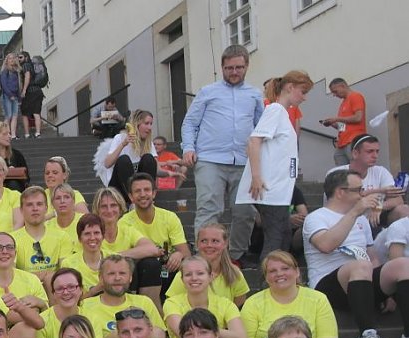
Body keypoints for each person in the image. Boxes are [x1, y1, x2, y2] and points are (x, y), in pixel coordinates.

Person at [304, 170, 409, 338]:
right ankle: (367, 335)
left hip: (361, 279)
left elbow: (372, 255)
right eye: (359, 190)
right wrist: (354, 212)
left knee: (402, 264)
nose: (363, 194)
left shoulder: (361, 219)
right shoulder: (317, 217)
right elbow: (326, 245)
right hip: (327, 285)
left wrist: (387, 291)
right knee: (361, 265)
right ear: (340, 192)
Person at [181, 44, 262, 263]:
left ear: (246, 66)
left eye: (238, 67)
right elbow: (190, 123)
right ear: (222, 68)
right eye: (229, 68)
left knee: (245, 212)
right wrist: (188, 148)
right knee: (209, 209)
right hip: (209, 159)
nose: (234, 72)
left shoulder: (255, 95)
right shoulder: (208, 92)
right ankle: (204, 258)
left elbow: (261, 129)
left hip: (243, 162)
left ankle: (234, 256)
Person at [236, 71, 313, 260]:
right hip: (270, 188)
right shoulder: (276, 110)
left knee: (282, 236)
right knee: (275, 239)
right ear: (290, 87)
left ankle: (274, 280)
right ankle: (269, 283)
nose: (304, 97)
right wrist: (256, 177)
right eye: (302, 91)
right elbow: (254, 141)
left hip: (278, 188)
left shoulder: (281, 113)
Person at [240, 250, 336, 338]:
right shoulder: (252, 303)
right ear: (266, 277)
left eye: (285, 268)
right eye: (272, 271)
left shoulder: (318, 299)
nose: (279, 274)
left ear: (297, 272)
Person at [80, 255, 166, 338]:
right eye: (111, 274)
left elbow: (160, 337)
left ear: (130, 278)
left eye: (122, 273)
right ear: (101, 279)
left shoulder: (144, 302)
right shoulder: (86, 305)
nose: (117, 278)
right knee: (121, 334)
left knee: (156, 333)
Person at [92, 187, 165, 305]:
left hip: (126, 280)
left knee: (150, 264)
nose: (109, 210)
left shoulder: (127, 230)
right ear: (97, 210)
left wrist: (115, 256)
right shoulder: (92, 233)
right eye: (104, 206)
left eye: (113, 205)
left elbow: (152, 249)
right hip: (98, 281)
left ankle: (149, 307)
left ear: (120, 208)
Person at [122, 173, 190, 297]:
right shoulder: (124, 222)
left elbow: (186, 253)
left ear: (154, 193)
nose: (143, 194)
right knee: (150, 264)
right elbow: (125, 257)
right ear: (131, 197)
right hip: (142, 274)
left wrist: (179, 254)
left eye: (147, 190)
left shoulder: (169, 217)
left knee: (186, 265)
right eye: (137, 191)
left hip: (168, 270)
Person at [163, 256, 247, 338]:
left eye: (200, 273)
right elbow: (185, 335)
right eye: (188, 274)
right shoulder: (172, 303)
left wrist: (209, 334)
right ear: (182, 279)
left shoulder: (225, 303)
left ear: (210, 277)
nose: (194, 278)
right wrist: (215, 336)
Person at [326, 135, 409, 230]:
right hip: (344, 220)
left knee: (404, 210)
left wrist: (378, 206)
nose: (375, 156)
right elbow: (346, 198)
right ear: (355, 153)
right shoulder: (336, 173)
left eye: (377, 151)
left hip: (373, 219)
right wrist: (381, 190)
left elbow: (398, 200)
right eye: (370, 151)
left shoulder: (381, 171)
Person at [165, 223, 250, 306]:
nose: (209, 245)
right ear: (197, 244)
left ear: (225, 243)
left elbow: (238, 309)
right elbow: (171, 307)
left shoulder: (235, 274)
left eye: (215, 241)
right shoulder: (186, 275)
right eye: (204, 241)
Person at [95, 109, 166, 203]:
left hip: (139, 187)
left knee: (148, 158)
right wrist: (123, 144)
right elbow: (107, 164)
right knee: (124, 160)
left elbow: (156, 169)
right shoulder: (120, 138)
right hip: (119, 186)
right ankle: (132, 202)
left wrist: (172, 172)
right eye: (146, 123)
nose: (149, 127)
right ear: (137, 124)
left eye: (151, 124)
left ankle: (147, 199)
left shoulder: (149, 144)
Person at [33, 268, 84, 338]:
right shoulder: (42, 321)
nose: (66, 292)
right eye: (60, 289)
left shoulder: (91, 318)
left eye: (71, 287)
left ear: (81, 290)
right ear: (53, 294)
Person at [321, 78, 366, 166]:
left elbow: (358, 117)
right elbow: (343, 126)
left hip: (353, 140)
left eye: (335, 91)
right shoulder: (343, 103)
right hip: (342, 142)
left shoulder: (355, 96)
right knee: (341, 173)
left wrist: (337, 119)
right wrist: (332, 123)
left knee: (357, 169)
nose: (334, 95)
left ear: (343, 86)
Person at [59, 213, 107, 292]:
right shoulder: (68, 264)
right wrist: (97, 289)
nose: (92, 238)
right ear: (80, 238)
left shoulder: (115, 259)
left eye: (96, 233)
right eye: (87, 234)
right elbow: (69, 299)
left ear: (103, 236)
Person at [19, 52, 46, 138]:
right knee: (36, 112)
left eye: (21, 57)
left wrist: (24, 90)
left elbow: (27, 77)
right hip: (38, 91)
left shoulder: (26, 65)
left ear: (26, 57)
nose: (19, 59)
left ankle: (27, 134)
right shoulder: (32, 65)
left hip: (30, 92)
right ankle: (38, 133)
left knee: (25, 113)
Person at [0, 54, 22, 137]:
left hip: (15, 96)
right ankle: (6, 134)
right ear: (7, 60)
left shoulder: (15, 72)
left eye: (13, 58)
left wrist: (19, 98)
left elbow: (18, 86)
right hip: (7, 96)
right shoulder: (5, 71)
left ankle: (13, 135)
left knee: (15, 116)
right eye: (10, 58)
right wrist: (10, 95)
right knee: (8, 115)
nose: (12, 60)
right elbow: (4, 85)